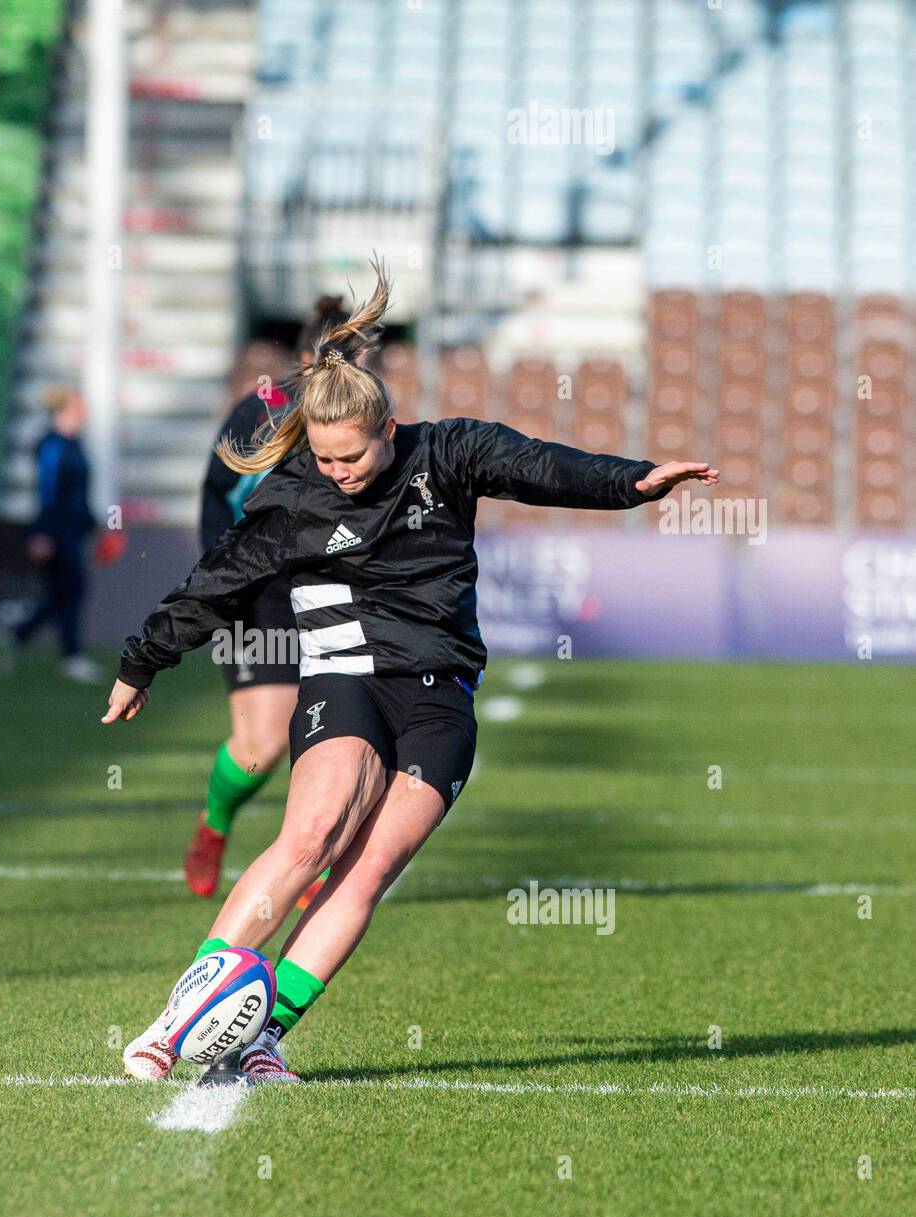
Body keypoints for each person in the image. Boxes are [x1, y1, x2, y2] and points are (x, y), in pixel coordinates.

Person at [102, 260, 717, 1084]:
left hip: (441, 696)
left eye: (351, 456)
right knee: (312, 835)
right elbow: (215, 584)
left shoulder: (449, 453)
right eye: (323, 459)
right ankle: (174, 1027)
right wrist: (142, 662)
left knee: (367, 872)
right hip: (345, 676)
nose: (339, 472)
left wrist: (631, 482)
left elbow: (539, 464)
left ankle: (262, 1039)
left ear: (389, 429)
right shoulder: (291, 499)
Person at [184, 295, 348, 901]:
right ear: (306, 359)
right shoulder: (262, 410)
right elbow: (214, 496)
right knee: (261, 747)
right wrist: (220, 576)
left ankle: (308, 852)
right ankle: (214, 825)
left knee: (342, 731)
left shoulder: (368, 416)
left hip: (335, 590)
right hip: (261, 587)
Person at [9, 386, 100, 682]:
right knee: (70, 592)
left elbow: (78, 495)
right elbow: (47, 491)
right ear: (64, 409)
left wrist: (93, 524)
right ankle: (70, 656)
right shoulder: (52, 445)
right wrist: (43, 533)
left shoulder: (74, 444)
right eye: (79, 405)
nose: (85, 411)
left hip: (73, 530)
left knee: (62, 594)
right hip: (56, 532)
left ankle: (16, 637)